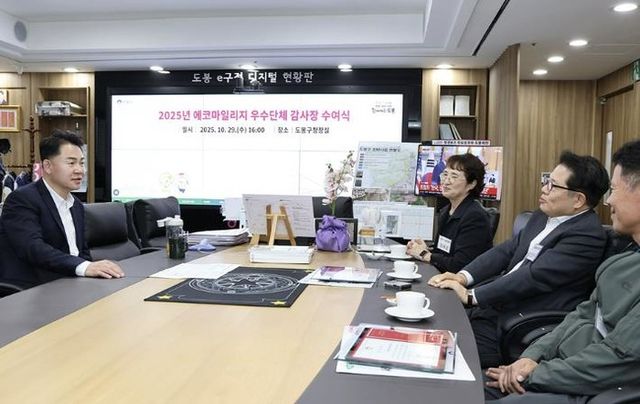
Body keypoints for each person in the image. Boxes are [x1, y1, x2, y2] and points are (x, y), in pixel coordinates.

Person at [484, 140, 640, 403]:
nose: (609, 200)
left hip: (589, 391)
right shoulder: (624, 258)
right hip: (560, 369)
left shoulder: (590, 237)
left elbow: (616, 359)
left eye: (614, 190)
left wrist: (533, 374)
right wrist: (531, 357)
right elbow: (582, 314)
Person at [428, 151, 610, 368]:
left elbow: (534, 276)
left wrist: (471, 296)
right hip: (494, 306)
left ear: (578, 200)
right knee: (434, 325)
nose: (544, 189)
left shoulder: (586, 235)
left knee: (447, 358)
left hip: (518, 321)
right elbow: (506, 250)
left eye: (552, 185)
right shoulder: (542, 215)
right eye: (546, 181)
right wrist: (462, 277)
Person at [0, 130, 124, 289]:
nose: (80, 170)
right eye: (71, 163)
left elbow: (82, 252)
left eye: (81, 163)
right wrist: (84, 267)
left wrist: (92, 272)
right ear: (47, 166)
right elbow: (33, 248)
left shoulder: (76, 205)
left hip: (71, 283)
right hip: (34, 288)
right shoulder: (22, 199)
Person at [407, 153, 493, 272]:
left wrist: (423, 254)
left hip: (458, 281)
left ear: (471, 184)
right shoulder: (446, 211)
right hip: (442, 275)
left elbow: (460, 264)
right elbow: (444, 252)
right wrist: (425, 249)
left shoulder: (475, 217)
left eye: (454, 176)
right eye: (445, 174)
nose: (446, 181)